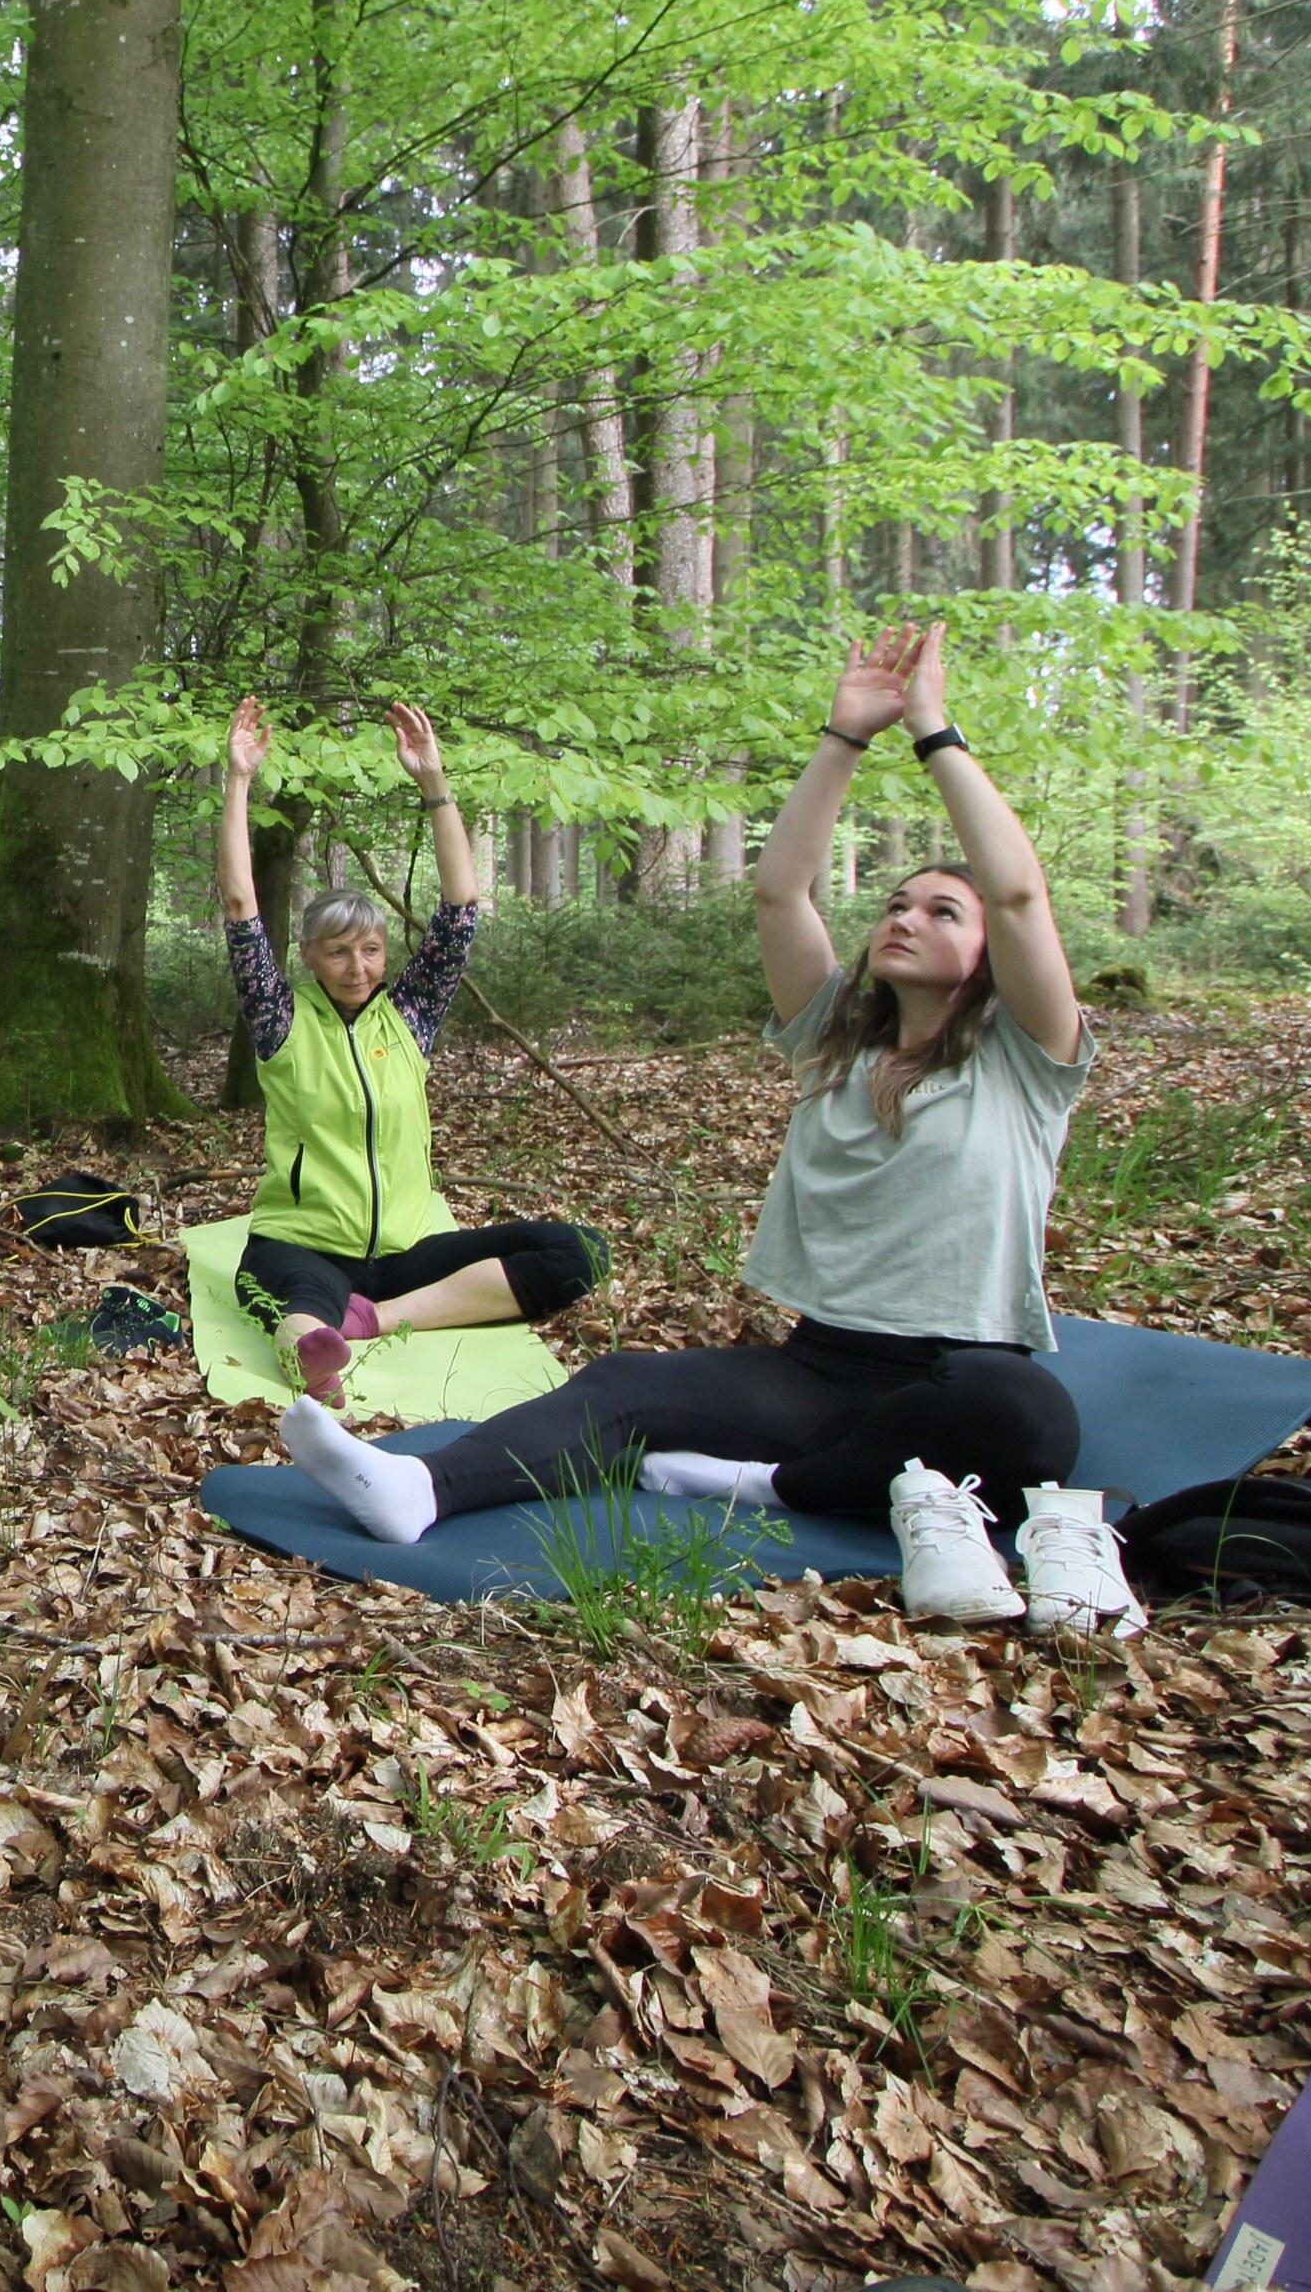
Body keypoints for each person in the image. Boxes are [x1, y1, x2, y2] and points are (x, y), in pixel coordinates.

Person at [259, 624, 1145, 1635]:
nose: (904, 918)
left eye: (943, 912)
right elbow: (779, 891)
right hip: (822, 1369)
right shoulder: (833, 1045)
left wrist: (932, 730)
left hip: (965, 1369)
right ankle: (422, 1489)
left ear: (988, 956)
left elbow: (1020, 894)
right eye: (897, 904)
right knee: (625, 1383)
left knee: (1029, 1417)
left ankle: (775, 1487)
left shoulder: (1026, 1062)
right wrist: (843, 736)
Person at [217, 697, 599, 1402]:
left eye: (369, 949)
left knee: (575, 1251)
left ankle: (377, 1319)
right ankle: (312, 1352)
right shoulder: (280, 1018)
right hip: (302, 1246)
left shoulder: (410, 1015)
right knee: (299, 1301)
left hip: (403, 1257)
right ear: (309, 956)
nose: (357, 967)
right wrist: (239, 779)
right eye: (338, 952)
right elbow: (242, 908)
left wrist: (433, 781)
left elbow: (461, 908)